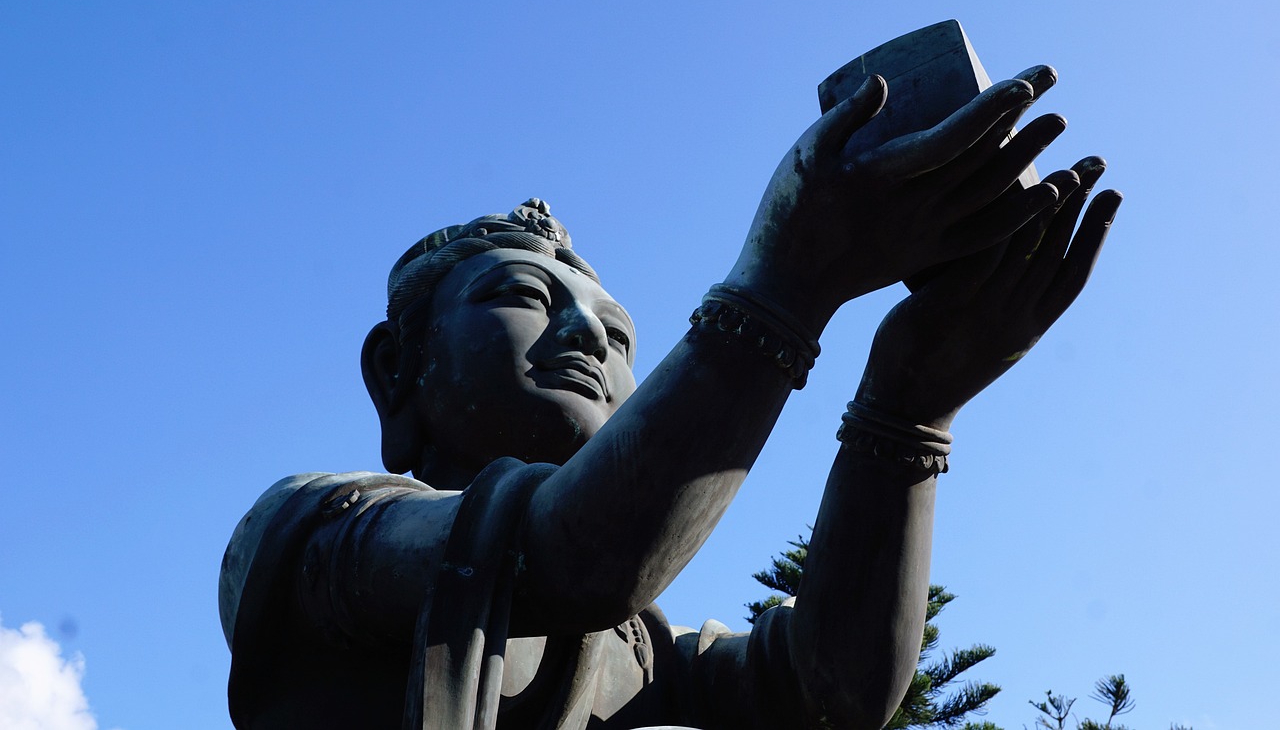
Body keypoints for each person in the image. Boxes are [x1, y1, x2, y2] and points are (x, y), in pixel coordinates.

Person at [219, 67, 1122, 730]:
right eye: (524, 300)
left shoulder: (640, 652)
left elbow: (828, 690)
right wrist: (786, 284)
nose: (585, 337)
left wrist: (908, 408)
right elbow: (559, 560)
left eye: (618, 337)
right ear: (395, 374)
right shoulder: (317, 536)